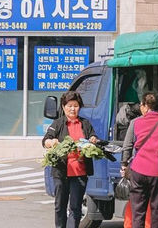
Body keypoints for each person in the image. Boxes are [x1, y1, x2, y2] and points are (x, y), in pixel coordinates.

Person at [43, 91, 99, 228]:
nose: (73, 109)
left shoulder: (85, 124)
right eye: (69, 106)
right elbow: (45, 140)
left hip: (80, 173)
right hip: (61, 172)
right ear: (63, 107)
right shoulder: (58, 124)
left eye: (75, 106)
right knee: (60, 206)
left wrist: (93, 140)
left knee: (75, 208)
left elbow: (93, 137)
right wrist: (51, 142)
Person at [121, 91, 158, 228]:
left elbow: (127, 146)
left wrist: (124, 164)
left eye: (141, 104)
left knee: (138, 211)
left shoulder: (135, 122)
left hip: (138, 170)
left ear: (145, 106)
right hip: (157, 172)